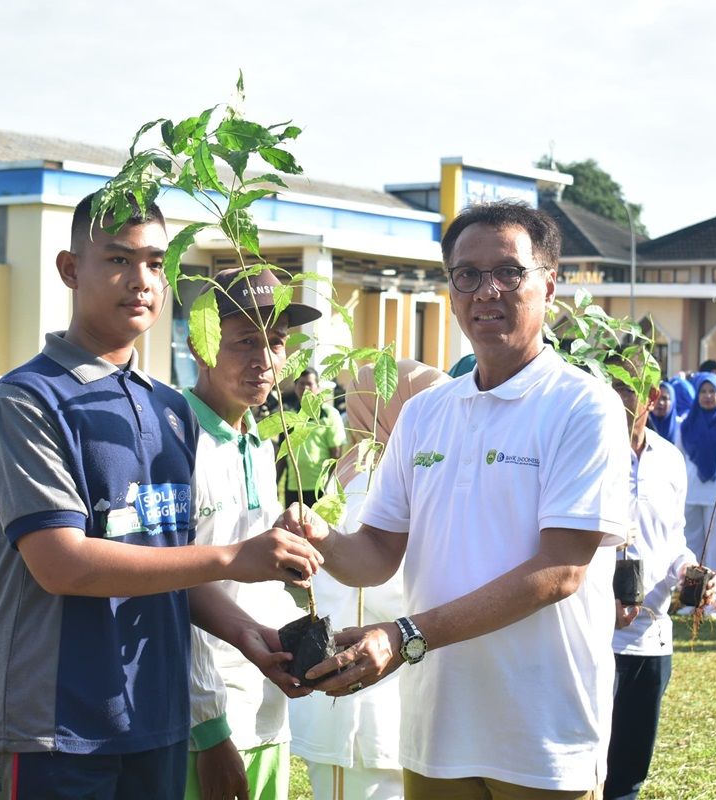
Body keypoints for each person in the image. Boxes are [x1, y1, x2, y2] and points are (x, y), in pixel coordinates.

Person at [0, 192, 322, 799]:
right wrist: (236, 558)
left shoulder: (168, 410)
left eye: (157, 264)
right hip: (54, 724)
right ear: (69, 268)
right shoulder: (28, 399)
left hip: (154, 720)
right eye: (118, 259)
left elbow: (170, 562)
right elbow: (60, 563)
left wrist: (243, 630)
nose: (141, 281)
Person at [280, 201, 631, 798]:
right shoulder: (424, 414)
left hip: (542, 735)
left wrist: (405, 635)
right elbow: (377, 552)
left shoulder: (583, 405)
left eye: (508, 273)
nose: (485, 290)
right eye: (466, 274)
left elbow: (561, 571)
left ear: (549, 283)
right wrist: (321, 539)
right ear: (450, 291)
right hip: (436, 728)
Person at [183, 267, 323, 800]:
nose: (265, 360)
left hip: (268, 711)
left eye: (277, 341)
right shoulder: (178, 440)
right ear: (200, 344)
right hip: (206, 722)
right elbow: (175, 589)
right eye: (244, 341)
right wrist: (210, 730)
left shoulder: (259, 447)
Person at [290, 359, 448, 800]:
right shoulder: (368, 491)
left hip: (397, 702)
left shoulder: (398, 481)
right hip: (360, 716)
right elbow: (368, 585)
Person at [605, 360, 712, 800]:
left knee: (630, 773)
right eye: (611, 387)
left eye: (628, 390)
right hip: (598, 638)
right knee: (586, 769)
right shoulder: (587, 453)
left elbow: (673, 543)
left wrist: (689, 572)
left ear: (651, 398)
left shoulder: (670, 459)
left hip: (653, 639)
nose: (618, 399)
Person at [675, 372, 716, 617]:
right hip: (691, 496)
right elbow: (678, 461)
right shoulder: (686, 424)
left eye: (712, 391)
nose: (707, 396)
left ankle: (712, 602)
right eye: (702, 391)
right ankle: (692, 601)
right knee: (691, 550)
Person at [281, 367, 346, 509]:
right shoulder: (289, 416)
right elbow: (282, 454)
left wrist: (330, 487)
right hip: (294, 487)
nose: (305, 388)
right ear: (295, 387)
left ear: (317, 388)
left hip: (320, 488)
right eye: (301, 383)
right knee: (294, 530)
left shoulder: (329, 415)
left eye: (309, 384)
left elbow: (336, 454)